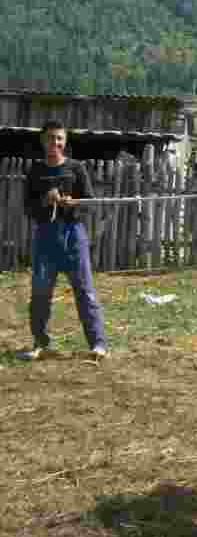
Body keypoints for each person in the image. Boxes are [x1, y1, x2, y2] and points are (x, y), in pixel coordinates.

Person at [17, 120, 108, 360]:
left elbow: (89, 203)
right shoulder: (36, 171)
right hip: (45, 236)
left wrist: (73, 203)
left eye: (59, 138)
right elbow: (28, 208)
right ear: (42, 141)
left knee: (85, 291)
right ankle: (40, 343)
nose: (55, 143)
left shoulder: (76, 168)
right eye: (50, 138)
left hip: (73, 234)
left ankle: (97, 344)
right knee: (40, 292)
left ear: (65, 141)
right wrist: (45, 202)